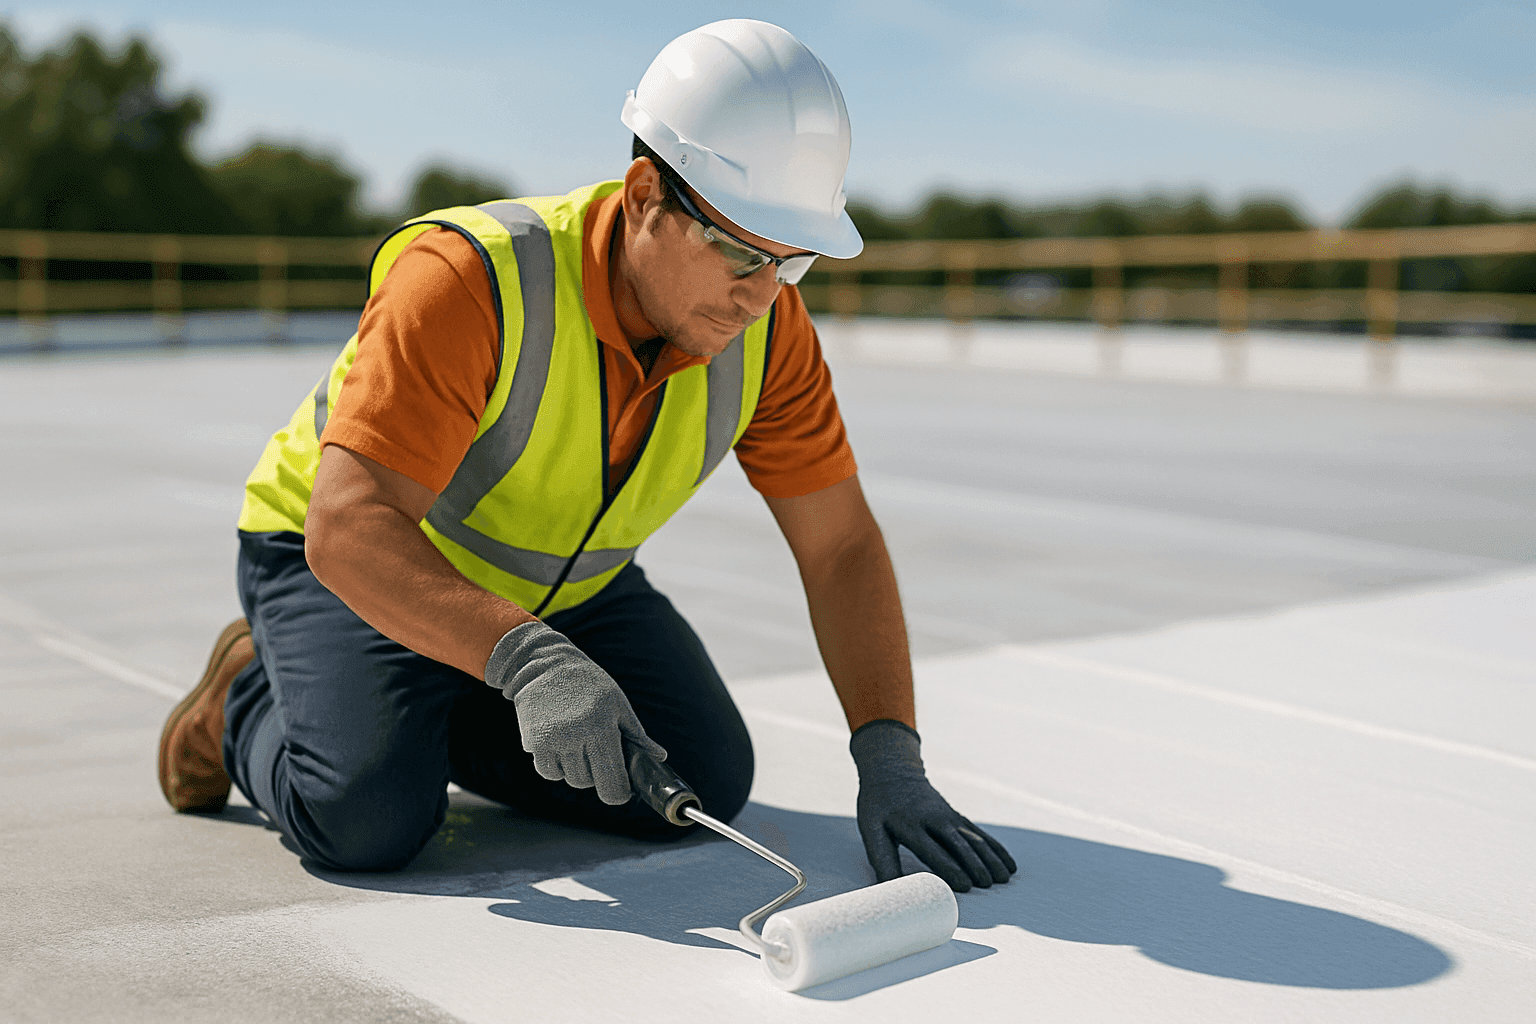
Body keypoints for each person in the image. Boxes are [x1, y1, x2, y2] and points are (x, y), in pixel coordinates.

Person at [157, 19, 1015, 893]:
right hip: (354, 564)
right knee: (368, 816)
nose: (761, 296)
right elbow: (346, 525)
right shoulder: (471, 280)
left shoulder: (768, 332)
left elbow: (838, 546)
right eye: (741, 251)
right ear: (646, 192)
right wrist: (527, 661)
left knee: (696, 781)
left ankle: (424, 700)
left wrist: (889, 753)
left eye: (793, 264)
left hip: (561, 592)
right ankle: (247, 702)